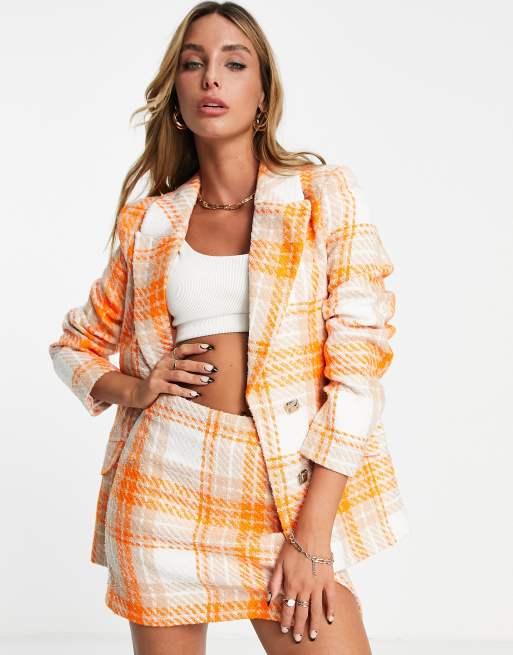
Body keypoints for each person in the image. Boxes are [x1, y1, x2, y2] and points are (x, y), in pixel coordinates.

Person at [49, 2, 409, 653]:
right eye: (194, 64)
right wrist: (135, 388)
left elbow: (357, 376)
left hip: (284, 492)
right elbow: (75, 345)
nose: (211, 77)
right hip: (164, 488)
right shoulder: (150, 223)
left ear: (263, 93)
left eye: (233, 63)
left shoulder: (321, 197)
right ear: (177, 94)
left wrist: (311, 536)